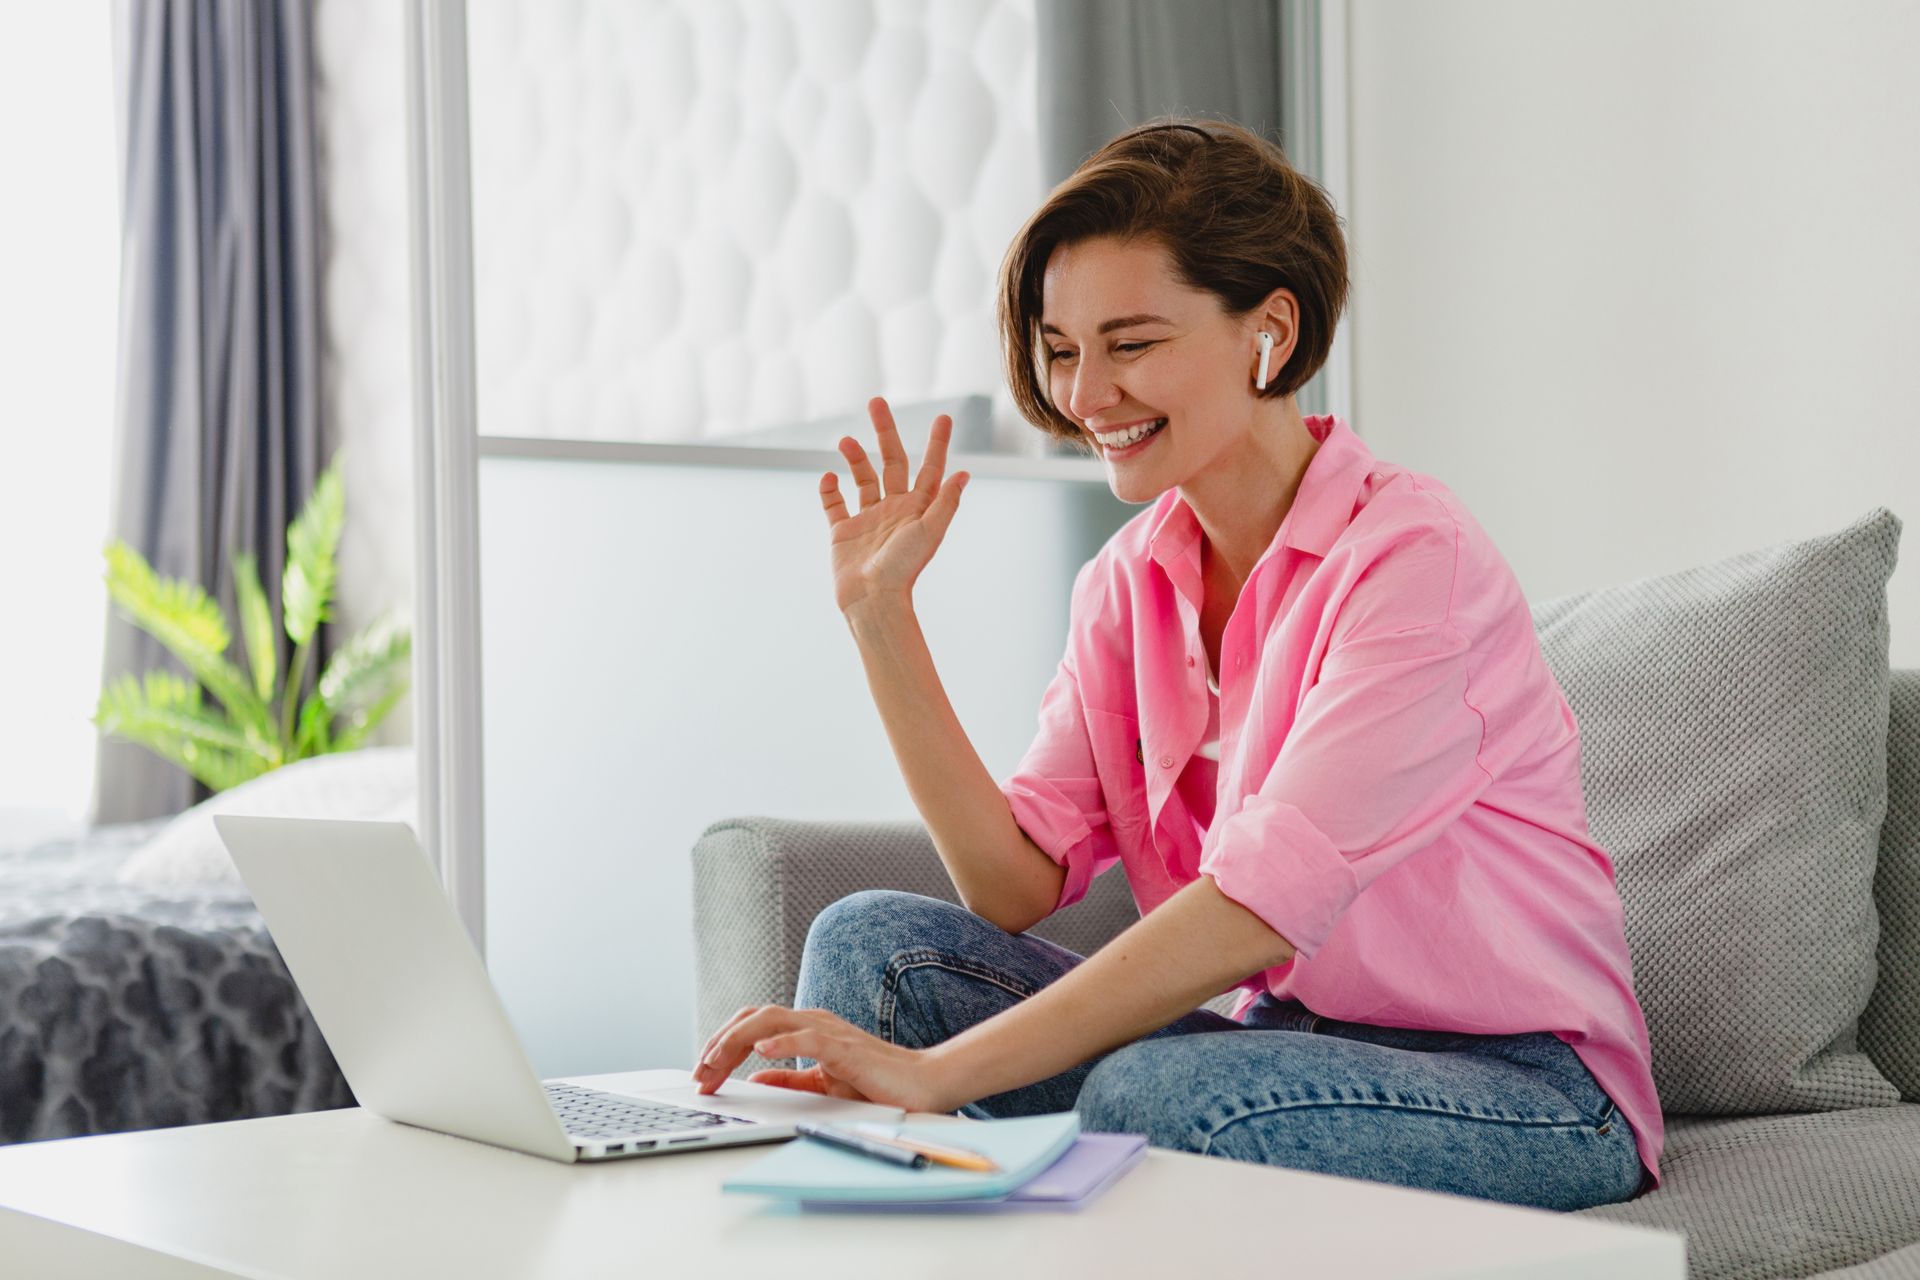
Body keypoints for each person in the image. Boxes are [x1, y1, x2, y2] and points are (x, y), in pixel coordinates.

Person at [692, 117, 1662, 1210]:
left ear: (1269, 329)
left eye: (1132, 342)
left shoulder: (1411, 560)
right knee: (872, 945)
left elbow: (1255, 904)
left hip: (1525, 1088)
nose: (1086, 394)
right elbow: (1009, 883)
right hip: (1284, 1049)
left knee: (1158, 1099)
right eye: (1062, 348)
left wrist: (939, 1076)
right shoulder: (1128, 582)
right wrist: (881, 620)